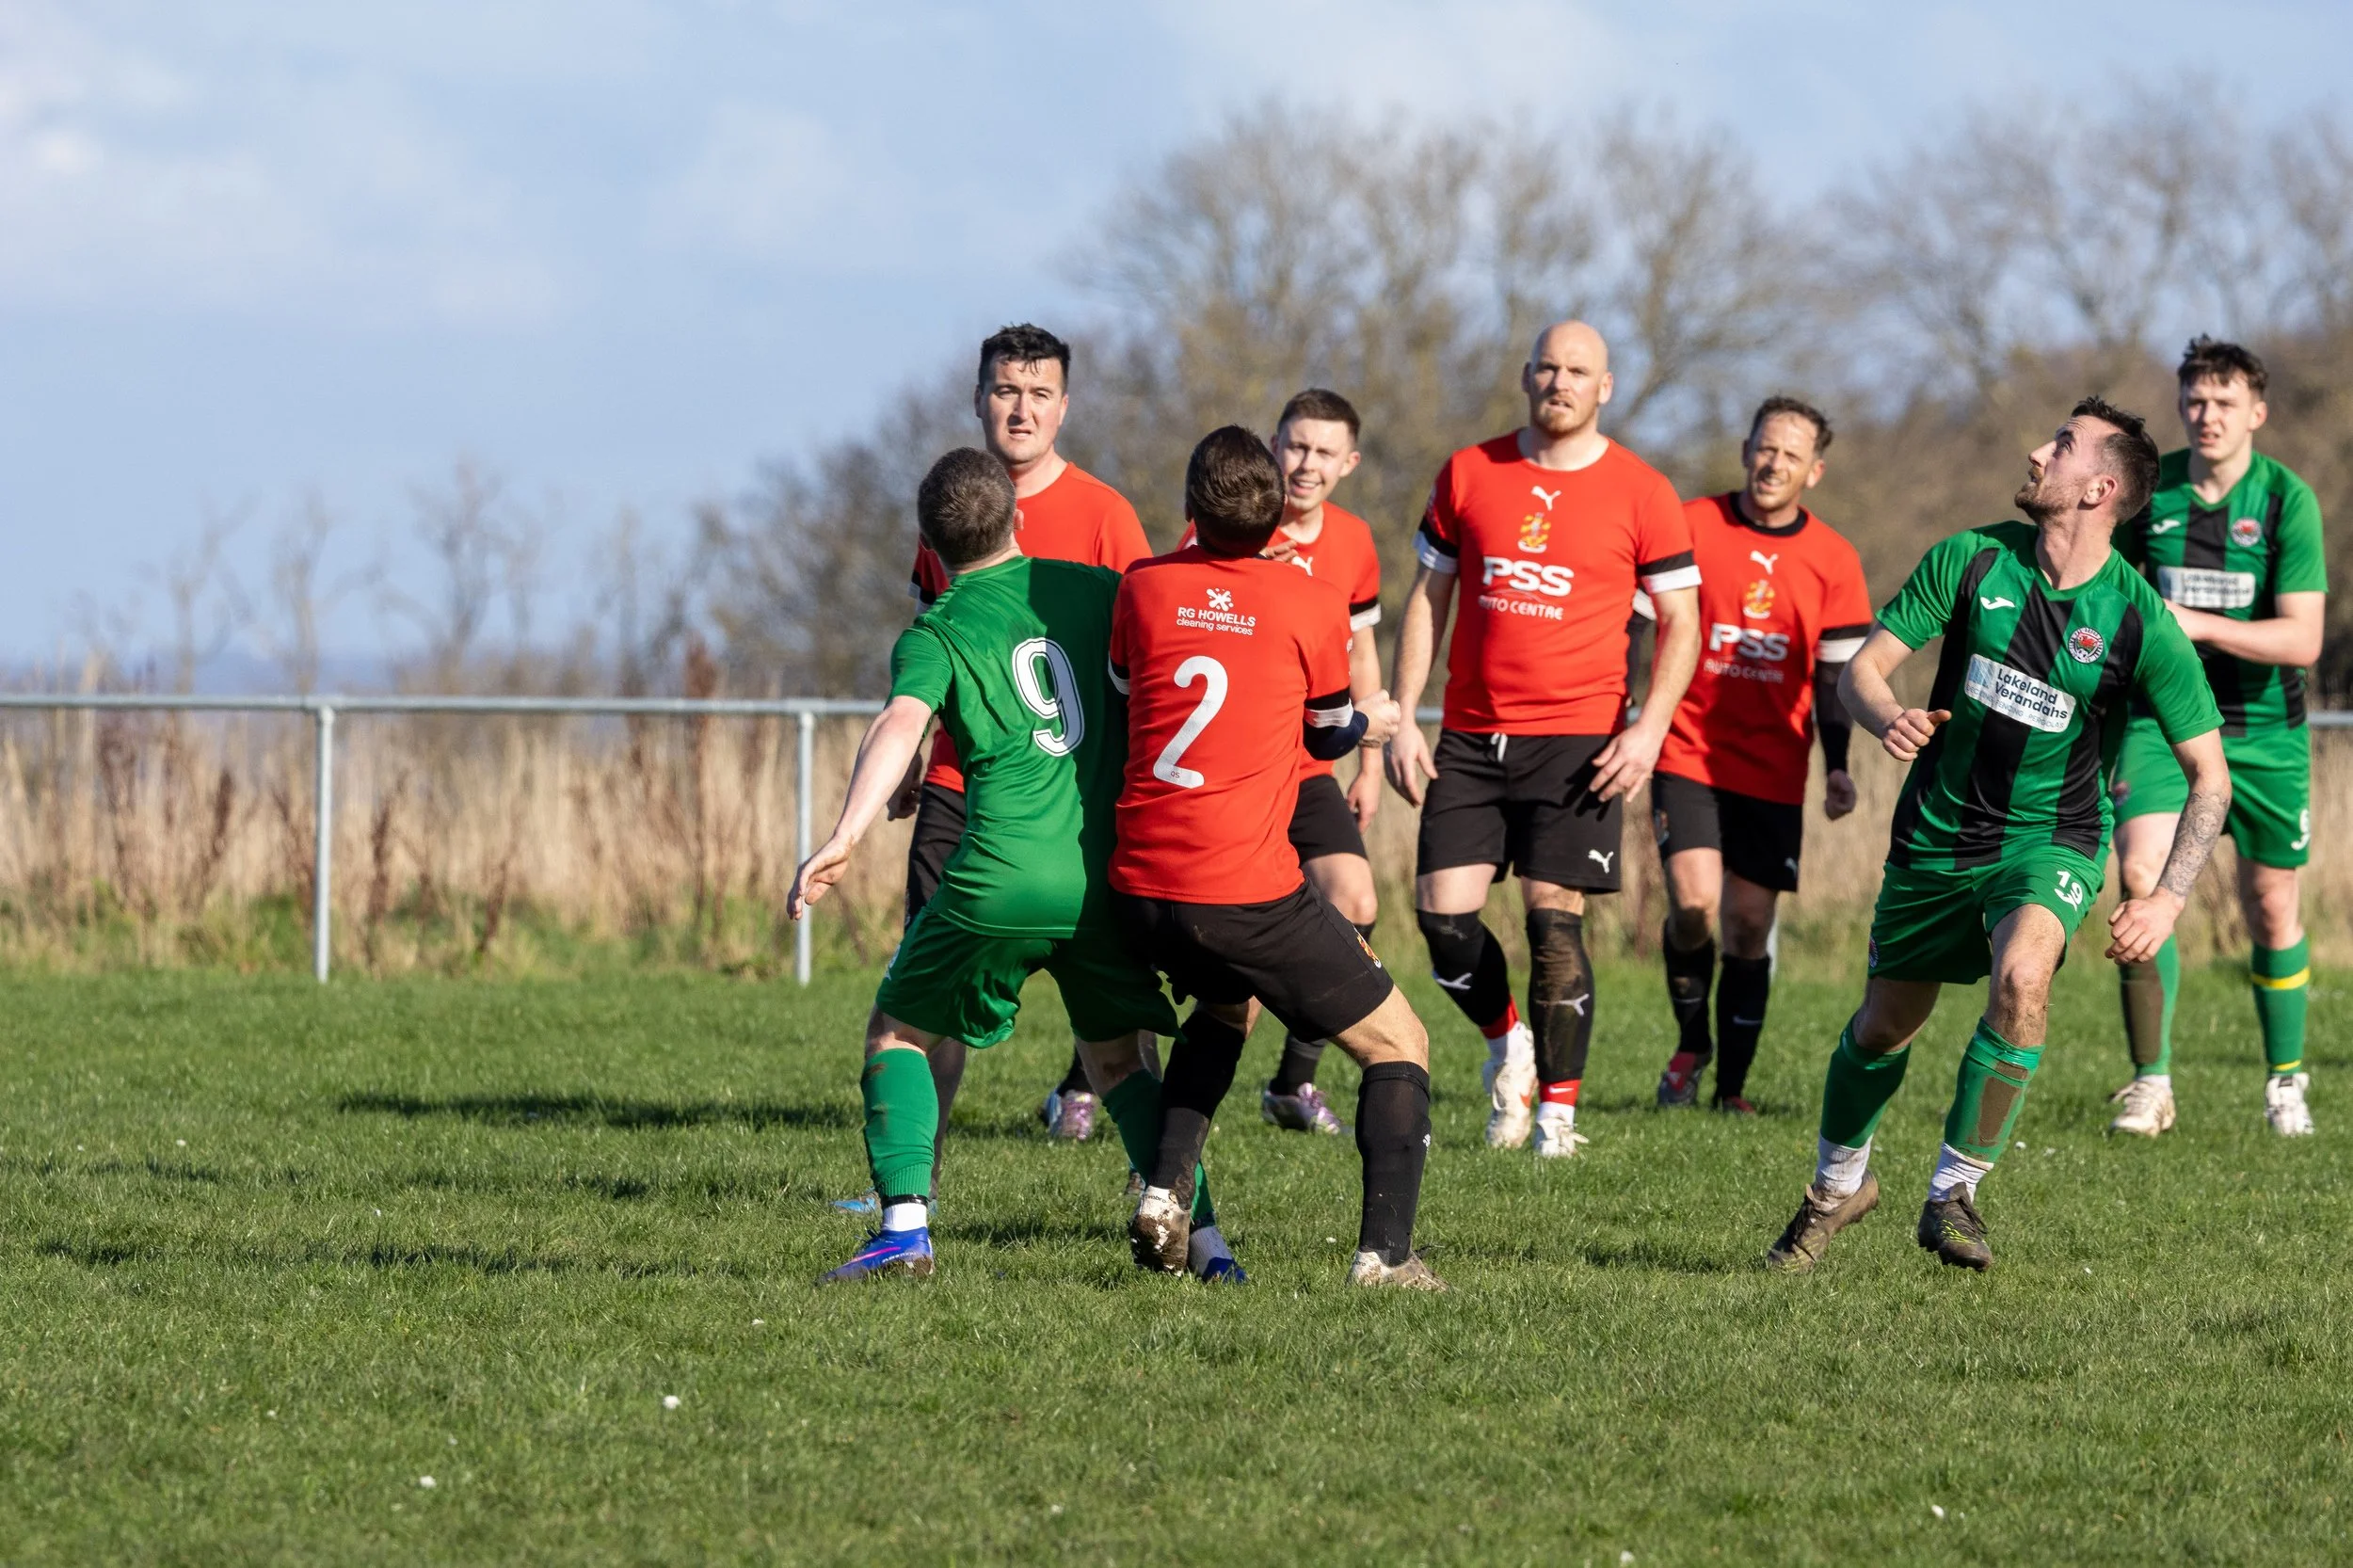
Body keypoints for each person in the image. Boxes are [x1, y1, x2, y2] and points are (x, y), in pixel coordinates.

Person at [1765, 398, 2228, 1275]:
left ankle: (1953, 1191)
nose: (2034, 450)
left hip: (2051, 842)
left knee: (2022, 979)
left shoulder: (2139, 621)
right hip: (1936, 839)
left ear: (2099, 487)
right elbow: (1861, 670)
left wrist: (2167, 897)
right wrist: (1886, 717)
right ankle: (1836, 1189)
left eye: (2058, 444)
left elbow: (2211, 779)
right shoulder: (1972, 558)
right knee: (1882, 1029)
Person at [793, 449, 1236, 1284]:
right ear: (1016, 518)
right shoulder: (1101, 591)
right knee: (1117, 1064)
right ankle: (1208, 1246)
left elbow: (899, 723)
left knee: (899, 1031)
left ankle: (903, 1229)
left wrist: (845, 833)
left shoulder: (937, 628)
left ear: (928, 546)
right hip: (1104, 879)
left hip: (1000, 873)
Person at [1110, 426, 1443, 1289]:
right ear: (1275, 522)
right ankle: (1387, 1259)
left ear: (1189, 508)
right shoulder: (1307, 599)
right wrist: (1372, 722)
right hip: (1240, 887)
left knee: (1225, 1010)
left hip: (1140, 885)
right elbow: (1324, 728)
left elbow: (1125, 693)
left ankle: (1163, 1193)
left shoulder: (1143, 589)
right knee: (1400, 1043)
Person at [1385, 320, 1702, 1157]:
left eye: (1578, 371)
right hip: (1467, 737)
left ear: (1606, 387)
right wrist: (1401, 712)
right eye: (1547, 367)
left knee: (1552, 926)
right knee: (1443, 921)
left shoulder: (1643, 490)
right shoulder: (1468, 471)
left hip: (1579, 742)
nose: (1559, 381)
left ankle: (1557, 1119)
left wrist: (1649, 728)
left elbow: (1683, 620)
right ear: (1526, 377)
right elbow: (1427, 597)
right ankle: (1508, 1046)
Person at [895, 324, 1153, 1153]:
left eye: (1040, 393)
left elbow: (1147, 654)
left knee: (1119, 1010)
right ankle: (914, 1182)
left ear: (1065, 407)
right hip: (956, 787)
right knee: (924, 997)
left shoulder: (1106, 515)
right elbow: (930, 637)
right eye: (1006, 390)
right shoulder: (951, 510)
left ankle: (1154, 1181)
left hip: (1072, 803)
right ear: (978, 399)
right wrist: (907, 754)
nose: (1021, 408)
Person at [2106, 338, 2329, 1138]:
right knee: (2140, 871)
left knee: (2271, 908)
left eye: (2225, 402)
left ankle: (2284, 1082)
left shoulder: (2285, 500)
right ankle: (2150, 1083)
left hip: (2265, 731)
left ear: (2256, 414)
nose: (2207, 415)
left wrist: (2195, 623)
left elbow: (2303, 641)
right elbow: (2110, 594)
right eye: (2196, 400)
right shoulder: (2151, 491)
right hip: (2160, 725)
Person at [1649, 398, 1873, 1113]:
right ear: (1747, 449)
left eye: (1791, 455)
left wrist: (1836, 766)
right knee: (1693, 906)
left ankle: (1731, 1091)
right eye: (1764, 448)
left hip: (1775, 768)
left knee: (1749, 926)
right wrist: (1633, 721)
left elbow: (1835, 680)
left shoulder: (1834, 559)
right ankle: (1691, 1045)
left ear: (1816, 472)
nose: (1774, 463)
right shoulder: (1689, 523)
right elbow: (1638, 627)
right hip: (1686, 751)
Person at [1178, 389, 1386, 1135]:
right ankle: (1093, 1079)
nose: (1306, 463)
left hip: (1307, 767)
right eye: (1296, 446)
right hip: (1232, 774)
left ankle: (1293, 1084)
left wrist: (1369, 757)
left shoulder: (1356, 544)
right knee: (1219, 964)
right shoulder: (1222, 529)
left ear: (1348, 463)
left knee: (1356, 903)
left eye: (1324, 451)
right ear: (1274, 445)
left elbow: (1359, 649)